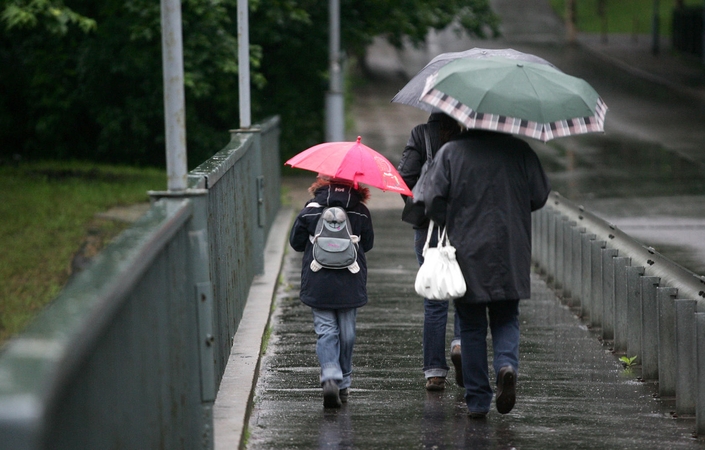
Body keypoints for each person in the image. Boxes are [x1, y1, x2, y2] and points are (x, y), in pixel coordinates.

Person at [422, 128, 551, 418]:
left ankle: (478, 399)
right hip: (511, 246)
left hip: (467, 249)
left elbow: (431, 200)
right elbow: (540, 195)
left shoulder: (452, 153)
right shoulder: (520, 151)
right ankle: (506, 366)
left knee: (470, 325)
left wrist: (452, 217)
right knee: (507, 315)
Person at [289, 175, 374, 408]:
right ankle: (344, 383)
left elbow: (296, 243)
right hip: (350, 282)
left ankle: (330, 375)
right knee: (347, 333)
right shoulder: (360, 211)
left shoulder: (310, 210)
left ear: (322, 182)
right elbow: (367, 243)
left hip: (318, 282)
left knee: (326, 331)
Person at [397, 111, 463, 391]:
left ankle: (435, 373)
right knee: (465, 292)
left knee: (434, 298)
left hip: (428, 230)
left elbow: (405, 176)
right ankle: (461, 345)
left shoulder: (420, 134)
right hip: (462, 225)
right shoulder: (466, 137)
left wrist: (421, 205)